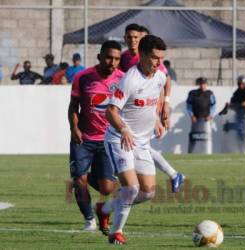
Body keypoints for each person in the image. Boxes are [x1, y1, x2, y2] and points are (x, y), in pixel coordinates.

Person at [103, 35, 167, 245]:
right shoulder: (130, 79)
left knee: (148, 192)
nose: (159, 63)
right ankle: (115, 233)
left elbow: (160, 92)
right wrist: (123, 129)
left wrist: (157, 116)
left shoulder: (159, 76)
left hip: (141, 142)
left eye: (162, 58)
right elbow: (111, 111)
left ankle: (105, 208)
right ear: (142, 55)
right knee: (132, 188)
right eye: (155, 58)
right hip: (119, 139)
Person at [119, 23, 184, 192]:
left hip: (145, 111)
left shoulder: (152, 59)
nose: (133, 40)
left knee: (141, 146)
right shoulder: (124, 57)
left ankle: (171, 175)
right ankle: (173, 174)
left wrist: (163, 109)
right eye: (130, 37)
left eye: (136, 37)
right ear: (124, 38)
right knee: (141, 146)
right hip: (128, 110)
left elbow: (163, 81)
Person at [68, 40, 124, 232]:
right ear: (99, 57)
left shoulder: (123, 79)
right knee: (79, 180)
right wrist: (74, 128)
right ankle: (89, 220)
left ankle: (83, 177)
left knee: (107, 188)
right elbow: (74, 106)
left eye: (117, 59)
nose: (113, 62)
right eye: (109, 57)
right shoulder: (82, 77)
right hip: (83, 139)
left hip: (108, 140)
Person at [186, 77, 216, 153]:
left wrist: (211, 115)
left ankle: (206, 152)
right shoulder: (193, 93)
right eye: (201, 84)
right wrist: (191, 115)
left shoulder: (210, 94)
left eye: (204, 84)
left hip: (206, 120)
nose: (203, 85)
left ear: (206, 84)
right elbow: (189, 106)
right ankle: (191, 152)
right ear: (199, 84)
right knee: (194, 137)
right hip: (195, 119)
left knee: (206, 137)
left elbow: (213, 106)